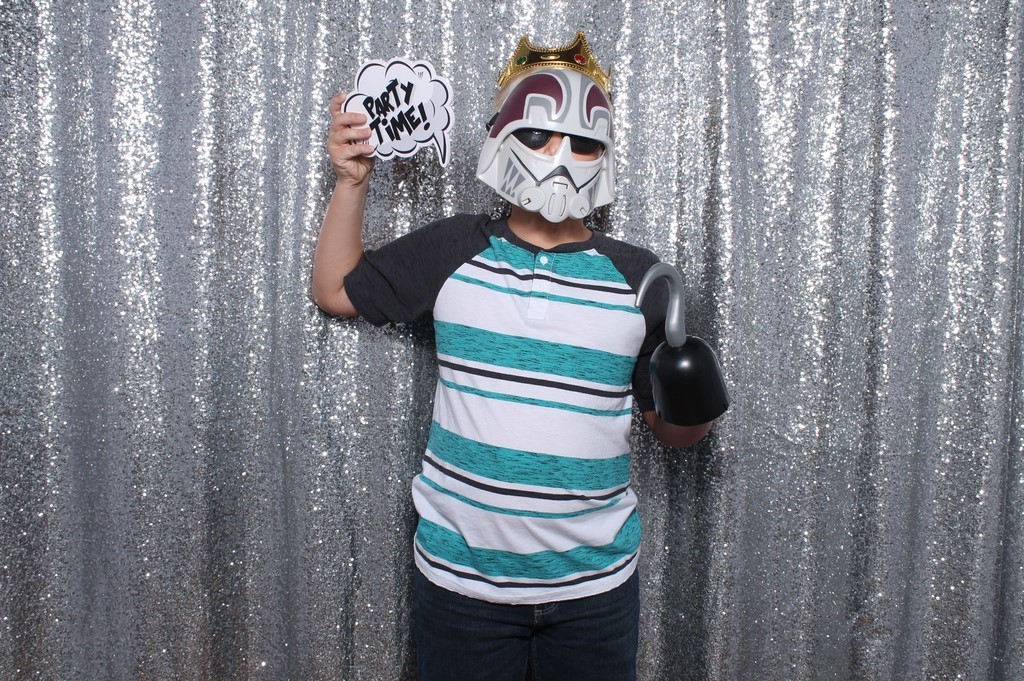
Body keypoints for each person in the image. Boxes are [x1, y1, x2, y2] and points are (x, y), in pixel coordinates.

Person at [312, 32, 714, 681]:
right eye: (539, 135)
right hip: (462, 583)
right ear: (500, 133)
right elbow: (335, 289)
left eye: (582, 141)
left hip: (594, 588)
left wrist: (691, 389)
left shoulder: (640, 278)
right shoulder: (454, 249)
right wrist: (352, 183)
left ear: (607, 149)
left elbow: (674, 433)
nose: (560, 156)